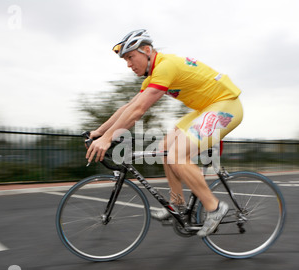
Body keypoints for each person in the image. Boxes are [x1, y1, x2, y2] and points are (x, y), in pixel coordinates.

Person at [86, 29, 243, 237]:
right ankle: (177, 205)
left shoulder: (165, 66)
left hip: (226, 105)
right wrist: (99, 132)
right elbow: (127, 108)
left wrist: (107, 139)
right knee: (164, 149)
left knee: (177, 154)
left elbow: (138, 112)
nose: (129, 64)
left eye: (131, 57)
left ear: (147, 50)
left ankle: (214, 208)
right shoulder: (153, 75)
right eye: (126, 60)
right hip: (206, 109)